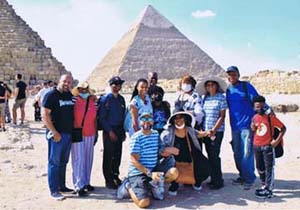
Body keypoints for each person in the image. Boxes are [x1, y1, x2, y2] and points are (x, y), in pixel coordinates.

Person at [117, 112, 178, 208]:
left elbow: (159, 149)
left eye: (149, 119)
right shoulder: (136, 137)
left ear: (153, 121)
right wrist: (149, 173)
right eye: (143, 119)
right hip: (138, 172)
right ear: (139, 122)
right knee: (144, 203)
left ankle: (151, 186)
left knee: (173, 172)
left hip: (153, 168)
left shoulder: (155, 134)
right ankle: (128, 186)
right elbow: (134, 160)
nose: (147, 122)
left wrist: (169, 150)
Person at [226, 66, 263, 190]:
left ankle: (249, 178)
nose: (232, 76)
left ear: (238, 75)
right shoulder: (228, 90)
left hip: (248, 125)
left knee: (247, 152)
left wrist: (266, 113)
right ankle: (242, 175)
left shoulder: (246, 87)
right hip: (234, 126)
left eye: (234, 74)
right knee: (237, 153)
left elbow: (258, 101)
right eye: (230, 74)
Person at [160, 111, 210, 196]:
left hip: (190, 157)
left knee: (205, 165)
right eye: (176, 118)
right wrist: (169, 150)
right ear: (173, 121)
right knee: (172, 169)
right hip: (174, 160)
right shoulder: (167, 133)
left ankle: (196, 181)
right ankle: (174, 185)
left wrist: (208, 132)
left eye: (181, 117)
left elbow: (198, 134)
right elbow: (160, 149)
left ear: (185, 119)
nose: (179, 120)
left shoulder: (189, 129)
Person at [42, 74, 75, 200]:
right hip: (56, 134)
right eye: (65, 81)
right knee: (54, 162)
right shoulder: (51, 95)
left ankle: (62, 186)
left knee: (63, 162)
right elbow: (45, 115)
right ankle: (54, 190)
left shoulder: (69, 95)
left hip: (67, 134)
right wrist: (54, 132)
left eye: (69, 82)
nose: (67, 83)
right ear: (59, 81)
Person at [251, 95, 286, 199]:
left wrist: (276, 141)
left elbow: (283, 128)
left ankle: (269, 189)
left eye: (261, 106)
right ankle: (263, 185)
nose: (259, 109)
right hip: (257, 145)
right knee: (259, 167)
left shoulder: (271, 118)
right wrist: (252, 126)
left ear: (264, 105)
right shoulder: (255, 117)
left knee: (269, 168)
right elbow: (254, 128)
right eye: (257, 107)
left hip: (267, 146)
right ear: (254, 107)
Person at [197, 76, 228, 189]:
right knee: (209, 155)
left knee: (214, 155)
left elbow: (222, 116)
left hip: (217, 131)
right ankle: (213, 178)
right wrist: (202, 130)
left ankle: (218, 181)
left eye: (212, 84)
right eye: (208, 85)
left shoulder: (221, 98)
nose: (210, 87)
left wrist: (214, 130)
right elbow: (202, 115)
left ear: (217, 86)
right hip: (205, 132)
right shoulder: (205, 98)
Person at [98, 76, 126, 189]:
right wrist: (109, 131)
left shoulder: (121, 99)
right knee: (108, 155)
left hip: (119, 129)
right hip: (109, 129)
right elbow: (102, 118)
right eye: (115, 84)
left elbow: (123, 116)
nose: (117, 86)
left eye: (119, 84)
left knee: (117, 154)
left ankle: (115, 175)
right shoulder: (105, 99)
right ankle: (108, 179)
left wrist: (123, 131)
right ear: (110, 85)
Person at [71, 81, 98, 197]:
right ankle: (78, 186)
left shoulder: (94, 102)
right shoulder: (73, 101)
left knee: (88, 159)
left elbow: (95, 118)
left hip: (90, 133)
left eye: (85, 89)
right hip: (77, 133)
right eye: (81, 89)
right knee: (78, 160)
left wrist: (96, 132)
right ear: (78, 90)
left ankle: (86, 182)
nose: (83, 91)